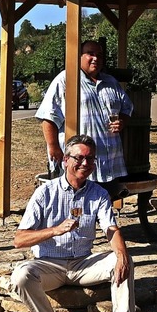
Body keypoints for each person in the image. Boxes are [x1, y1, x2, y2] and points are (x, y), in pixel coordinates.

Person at [11, 134, 154, 312]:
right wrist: (54, 230)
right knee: (21, 275)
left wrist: (122, 254)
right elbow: (19, 239)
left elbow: (111, 229)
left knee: (122, 261)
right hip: (50, 264)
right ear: (65, 160)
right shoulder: (45, 193)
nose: (85, 164)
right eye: (79, 158)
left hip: (82, 263)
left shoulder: (98, 194)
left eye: (90, 159)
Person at [36, 39, 132, 199]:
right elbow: (48, 117)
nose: (96, 58)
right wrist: (53, 147)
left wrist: (122, 120)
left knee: (102, 204)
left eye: (99, 55)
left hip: (108, 163)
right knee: (76, 205)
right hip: (80, 164)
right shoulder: (66, 80)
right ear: (78, 56)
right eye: (90, 54)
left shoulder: (111, 82)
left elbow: (127, 107)